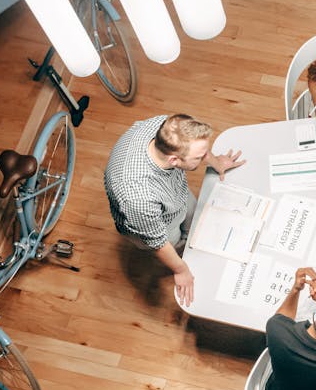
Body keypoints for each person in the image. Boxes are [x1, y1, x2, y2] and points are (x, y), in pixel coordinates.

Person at [104, 114, 244, 306]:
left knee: (195, 220)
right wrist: (181, 270)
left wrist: (217, 163)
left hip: (174, 192)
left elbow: (197, 146)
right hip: (154, 224)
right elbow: (158, 242)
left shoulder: (167, 127)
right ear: (174, 160)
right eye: (199, 157)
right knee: (176, 243)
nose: (205, 157)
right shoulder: (138, 197)